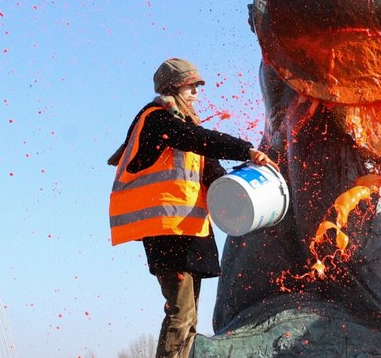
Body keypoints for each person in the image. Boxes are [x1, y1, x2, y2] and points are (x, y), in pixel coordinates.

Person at [108, 58, 278, 358]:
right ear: (173, 89)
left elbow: (213, 173)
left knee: (188, 315)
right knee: (181, 311)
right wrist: (246, 149)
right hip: (165, 230)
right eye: (191, 88)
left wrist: (249, 186)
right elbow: (197, 140)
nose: (197, 94)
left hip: (187, 230)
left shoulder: (184, 126)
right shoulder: (157, 119)